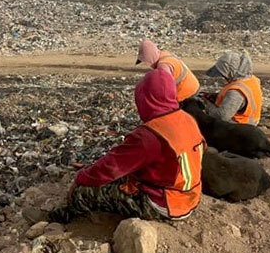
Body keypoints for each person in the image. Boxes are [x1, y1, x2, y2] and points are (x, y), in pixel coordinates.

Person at [31, 69, 205, 223]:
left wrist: (81, 177)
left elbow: (110, 167)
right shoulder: (186, 119)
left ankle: (56, 218)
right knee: (119, 177)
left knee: (84, 192)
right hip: (189, 196)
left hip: (164, 204)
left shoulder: (150, 135)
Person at [203, 51, 262, 125]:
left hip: (237, 129)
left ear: (230, 71)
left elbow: (221, 116)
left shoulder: (236, 92)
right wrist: (215, 96)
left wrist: (206, 104)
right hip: (247, 127)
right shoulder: (250, 79)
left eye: (224, 74)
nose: (224, 77)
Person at [136, 39, 200, 103]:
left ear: (150, 58)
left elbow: (165, 88)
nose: (147, 65)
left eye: (146, 62)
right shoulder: (165, 55)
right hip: (194, 88)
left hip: (186, 95)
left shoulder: (163, 66)